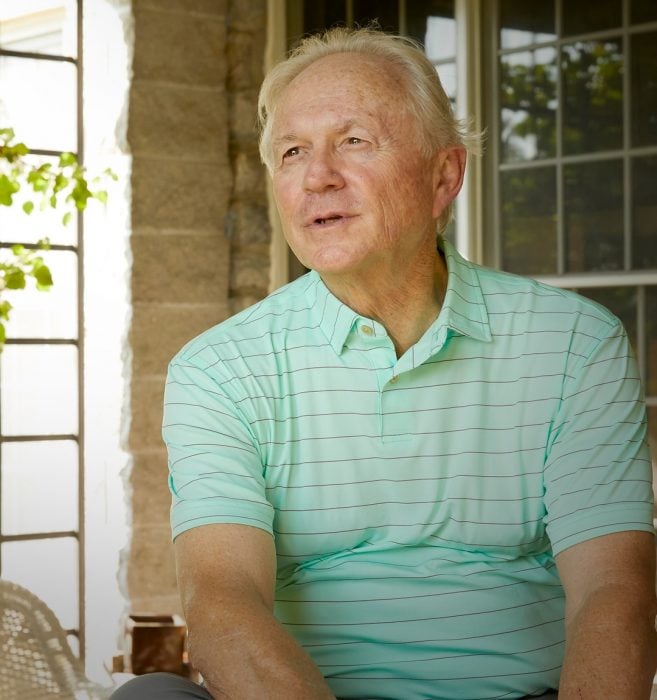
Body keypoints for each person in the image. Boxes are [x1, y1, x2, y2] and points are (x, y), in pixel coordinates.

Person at [113, 26, 657, 700]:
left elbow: (614, 591)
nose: (317, 176)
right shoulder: (220, 368)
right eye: (292, 151)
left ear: (443, 176)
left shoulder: (574, 343)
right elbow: (223, 600)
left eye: (353, 141)